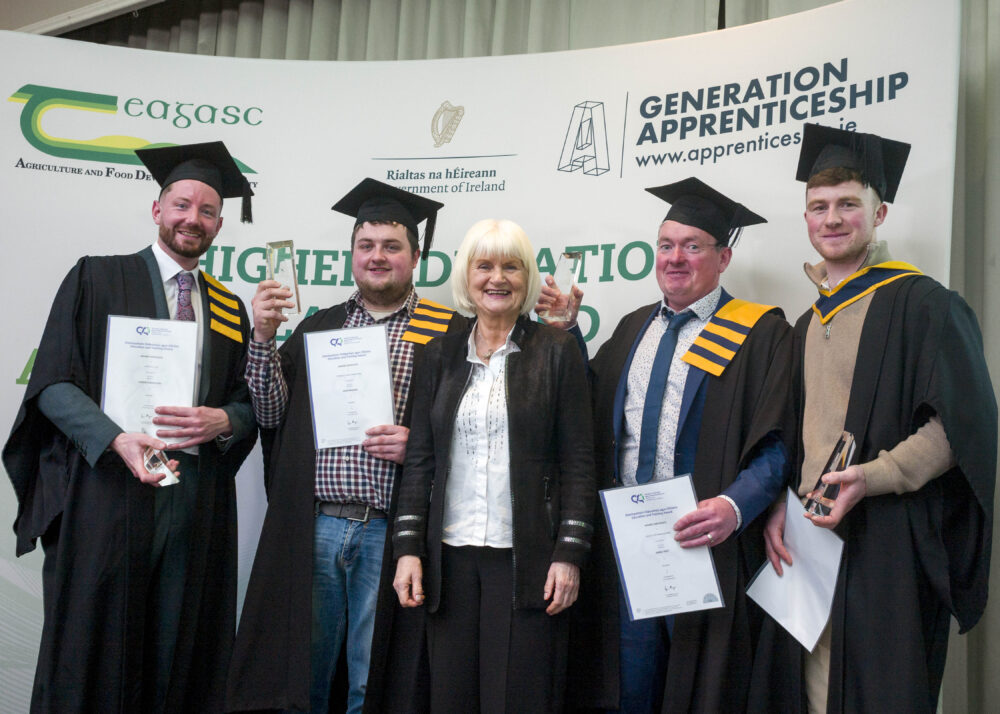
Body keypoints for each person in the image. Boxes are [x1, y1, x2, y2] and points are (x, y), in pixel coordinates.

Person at [748, 123, 997, 713]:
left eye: (848, 204)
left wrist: (874, 476)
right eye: (819, 207)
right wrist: (781, 502)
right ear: (806, 219)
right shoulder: (804, 324)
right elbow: (794, 436)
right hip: (810, 542)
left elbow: (963, 427)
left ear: (879, 213)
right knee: (810, 693)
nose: (832, 219)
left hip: (889, 542)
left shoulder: (924, 304)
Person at [3, 141, 257, 712]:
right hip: (108, 496)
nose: (193, 218)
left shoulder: (229, 308)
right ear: (157, 209)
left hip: (191, 503)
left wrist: (224, 418)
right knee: (96, 644)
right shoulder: (98, 278)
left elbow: (245, 406)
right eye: (182, 205)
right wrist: (115, 438)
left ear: (219, 225)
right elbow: (53, 384)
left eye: (208, 211)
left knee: (178, 648)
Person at [226, 179, 467, 713]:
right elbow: (272, 416)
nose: (377, 256)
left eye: (391, 246)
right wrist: (261, 338)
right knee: (304, 677)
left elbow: (479, 431)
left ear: (416, 257)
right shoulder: (320, 326)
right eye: (366, 245)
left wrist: (420, 447)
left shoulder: (450, 332)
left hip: (393, 532)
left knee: (370, 681)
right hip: (317, 525)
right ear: (352, 255)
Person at [565, 178, 792, 713]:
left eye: (692, 246)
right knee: (629, 688)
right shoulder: (631, 329)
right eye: (666, 245)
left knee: (701, 691)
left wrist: (734, 506)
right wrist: (568, 333)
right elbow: (585, 407)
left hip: (707, 545)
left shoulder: (761, 334)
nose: (675, 258)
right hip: (629, 546)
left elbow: (779, 443)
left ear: (723, 257)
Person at [384, 218, 596, 714]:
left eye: (511, 267)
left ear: (527, 279)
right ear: (466, 275)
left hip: (528, 560)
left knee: (518, 700)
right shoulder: (437, 354)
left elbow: (580, 463)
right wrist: (408, 549)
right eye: (484, 266)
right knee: (450, 699)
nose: (497, 278)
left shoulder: (558, 351)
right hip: (449, 559)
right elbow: (420, 462)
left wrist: (569, 553)